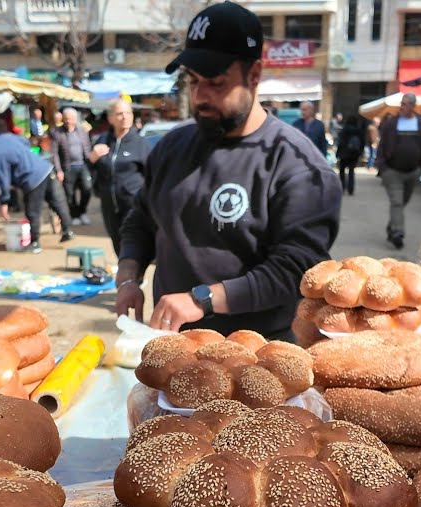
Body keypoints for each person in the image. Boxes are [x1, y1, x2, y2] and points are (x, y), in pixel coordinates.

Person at [114, 1, 341, 339]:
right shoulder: (171, 147)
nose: (200, 96)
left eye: (216, 83)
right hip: (169, 340)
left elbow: (296, 269)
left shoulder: (298, 165)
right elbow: (142, 220)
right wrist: (129, 275)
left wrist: (203, 299)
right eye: (192, 81)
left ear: (254, 75)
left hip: (259, 353)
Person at [0, 127, 75, 253]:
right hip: (46, 167)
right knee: (57, 202)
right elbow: (25, 142)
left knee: (33, 211)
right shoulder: (6, 137)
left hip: (32, 178)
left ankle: (35, 243)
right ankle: (68, 230)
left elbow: (1, 178)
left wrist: (4, 201)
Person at [89, 98, 149, 256]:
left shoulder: (140, 143)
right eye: (120, 114)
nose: (125, 117)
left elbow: (152, 175)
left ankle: (136, 278)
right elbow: (92, 169)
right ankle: (126, 278)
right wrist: (92, 159)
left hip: (133, 205)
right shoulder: (103, 140)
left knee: (134, 245)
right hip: (109, 206)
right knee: (117, 243)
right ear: (110, 118)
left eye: (128, 113)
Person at [374, 93, 421, 249]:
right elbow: (382, 145)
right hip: (392, 171)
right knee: (397, 202)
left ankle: (392, 227)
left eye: (406, 104)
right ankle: (398, 233)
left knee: (401, 203)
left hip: (413, 172)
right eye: (402, 103)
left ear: (413, 106)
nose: (402, 106)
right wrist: (382, 166)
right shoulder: (392, 123)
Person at [51, 107, 94, 225]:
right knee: (70, 194)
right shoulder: (57, 132)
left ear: (75, 119)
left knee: (87, 189)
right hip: (68, 167)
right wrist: (58, 170)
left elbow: (88, 147)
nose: (68, 121)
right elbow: (54, 153)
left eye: (71, 118)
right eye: (66, 118)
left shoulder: (82, 131)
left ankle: (82, 211)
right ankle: (74, 215)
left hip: (83, 165)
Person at [335, 113, 364, 196]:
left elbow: (340, 142)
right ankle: (350, 189)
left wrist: (338, 153)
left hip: (344, 153)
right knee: (351, 171)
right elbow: (362, 143)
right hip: (354, 154)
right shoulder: (359, 131)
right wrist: (360, 152)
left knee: (342, 171)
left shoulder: (344, 130)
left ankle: (342, 187)